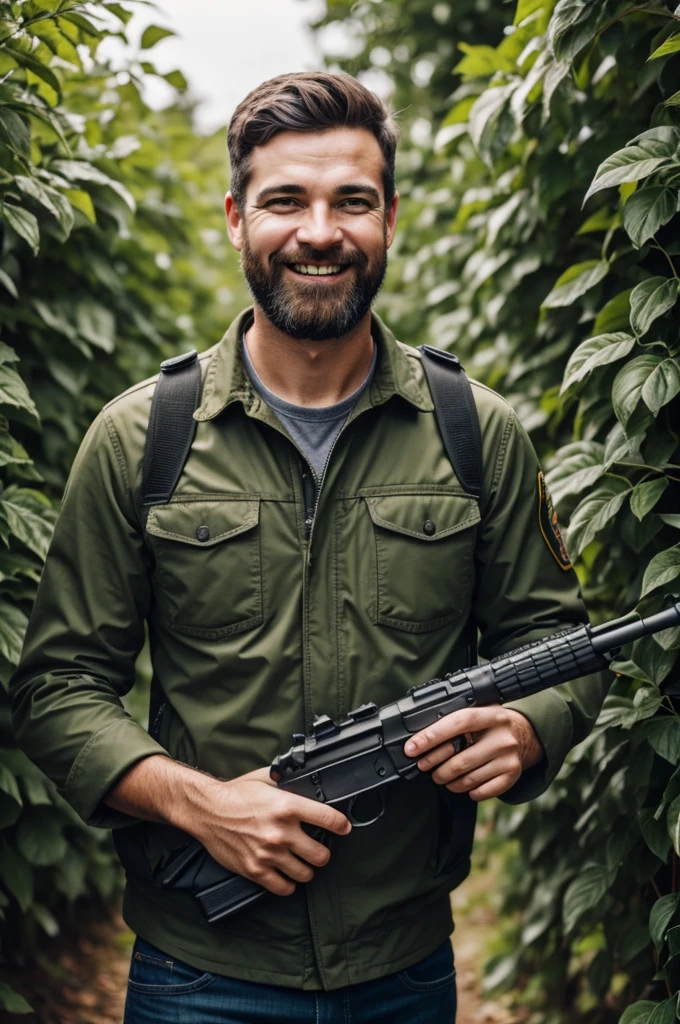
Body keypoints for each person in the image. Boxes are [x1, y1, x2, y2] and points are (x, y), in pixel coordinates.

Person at [10, 71, 609, 1024]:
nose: (320, 231)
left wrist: (533, 724)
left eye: (353, 202)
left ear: (391, 220)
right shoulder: (141, 437)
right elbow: (56, 687)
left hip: (406, 970)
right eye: (285, 199)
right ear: (236, 218)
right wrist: (200, 804)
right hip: (196, 976)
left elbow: (561, 648)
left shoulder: (475, 431)